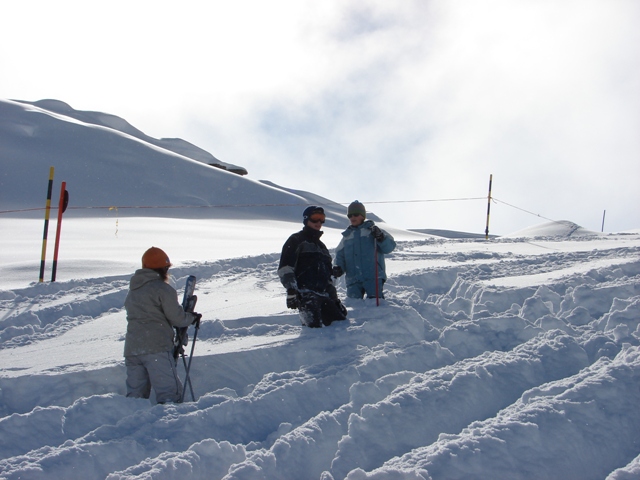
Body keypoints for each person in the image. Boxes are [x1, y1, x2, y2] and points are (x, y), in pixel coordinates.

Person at [124, 246, 201, 403]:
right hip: (156, 348)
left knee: (135, 397)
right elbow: (177, 318)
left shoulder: (134, 291)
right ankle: (170, 425)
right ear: (163, 269)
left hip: (132, 349)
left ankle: (131, 424)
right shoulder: (162, 289)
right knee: (169, 395)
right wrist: (191, 318)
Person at [278, 206, 348, 328]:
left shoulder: (322, 247)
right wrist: (291, 290)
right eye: (315, 218)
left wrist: (334, 296)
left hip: (325, 295)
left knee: (340, 326)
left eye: (322, 219)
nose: (319, 222)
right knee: (314, 331)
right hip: (307, 295)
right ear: (306, 219)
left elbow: (326, 276)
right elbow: (286, 267)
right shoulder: (296, 240)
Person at [334, 201, 396, 300]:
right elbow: (339, 255)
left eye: (356, 214)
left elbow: (389, 247)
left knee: (374, 306)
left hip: (373, 277)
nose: (352, 217)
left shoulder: (373, 231)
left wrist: (381, 238)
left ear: (363, 216)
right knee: (354, 306)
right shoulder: (347, 236)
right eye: (350, 215)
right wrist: (338, 267)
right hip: (353, 279)